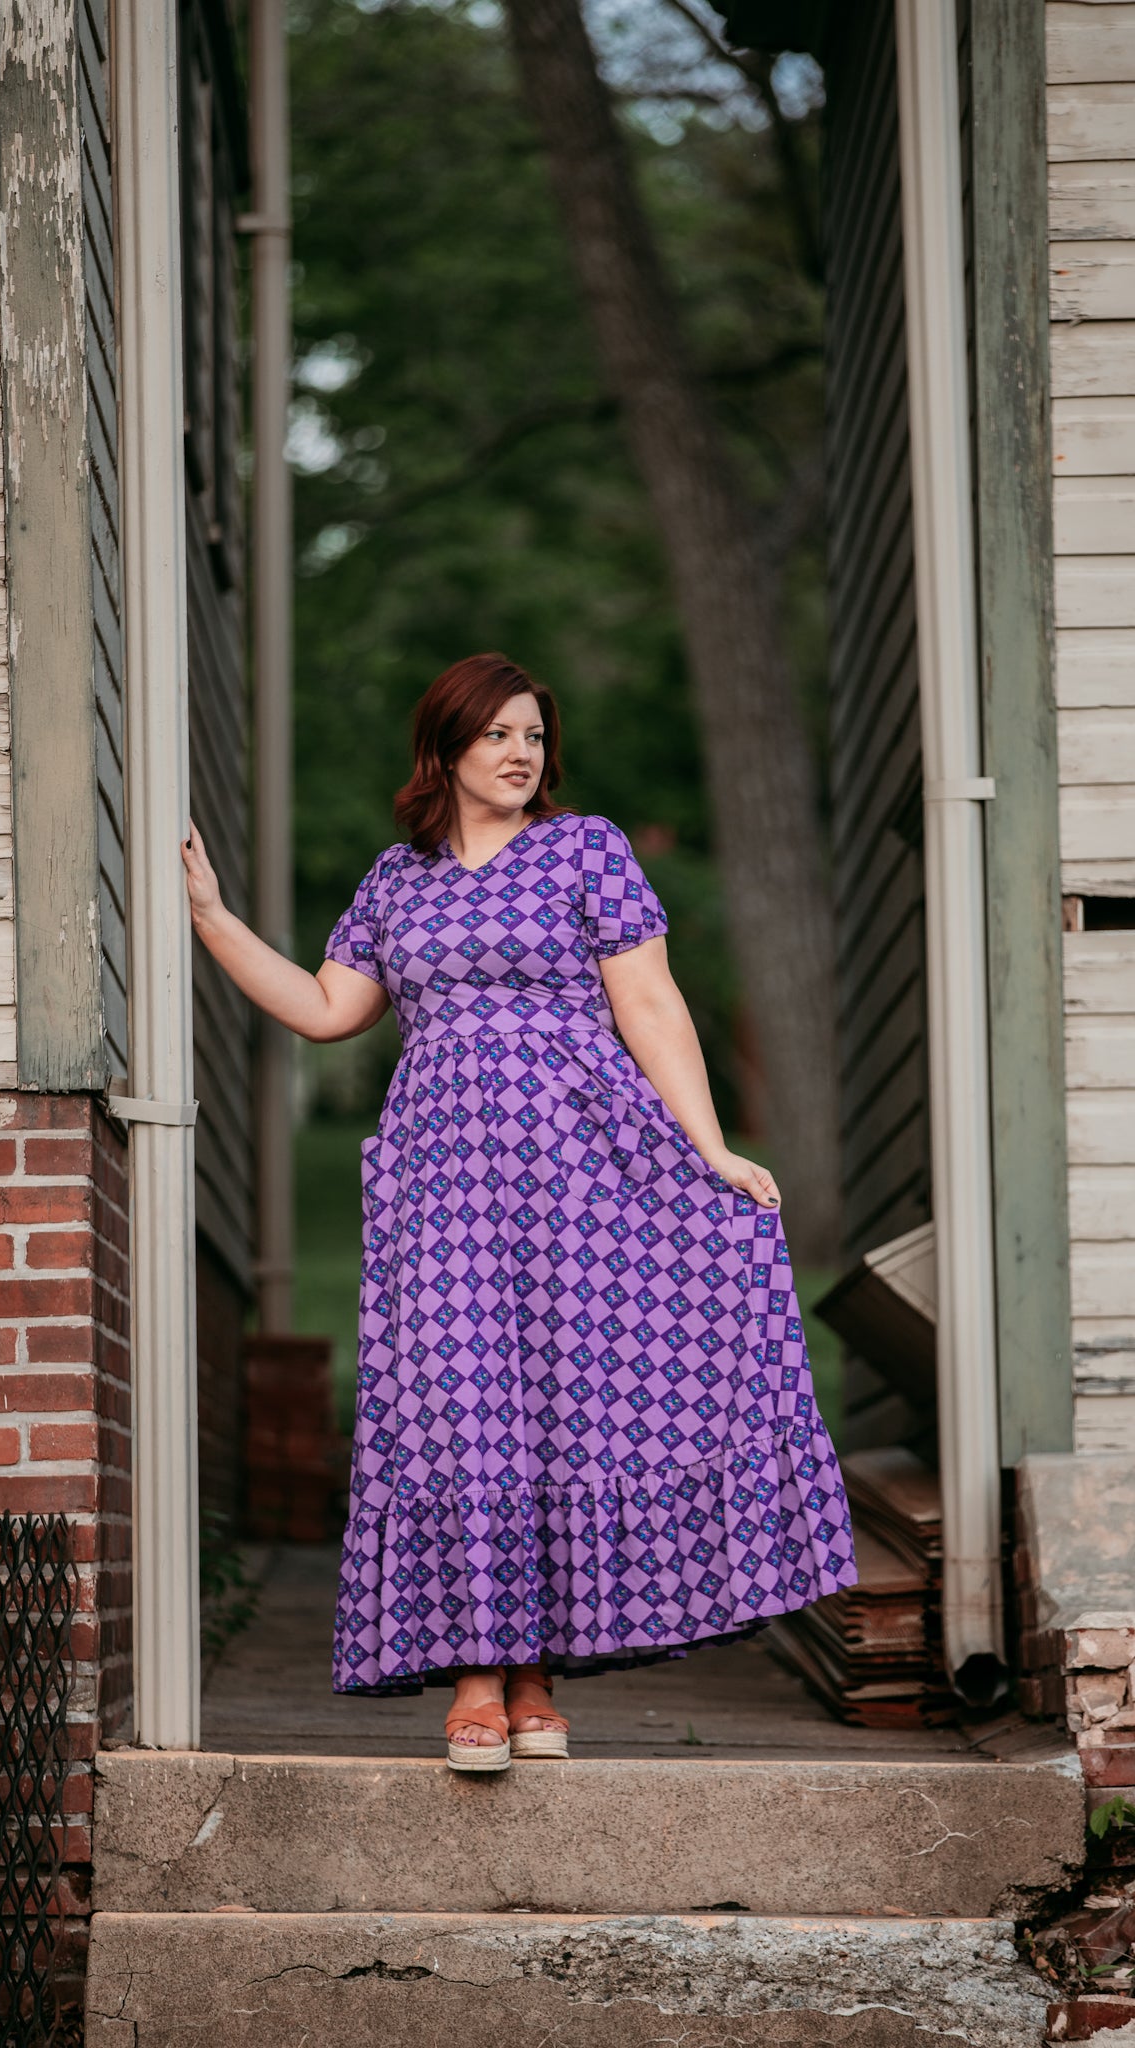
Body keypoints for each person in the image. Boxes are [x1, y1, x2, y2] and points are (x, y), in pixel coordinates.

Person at [182, 651, 856, 1772]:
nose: (519, 752)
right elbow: (321, 1005)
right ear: (444, 749)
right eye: (496, 733)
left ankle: (537, 1673)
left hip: (584, 1167)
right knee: (458, 1406)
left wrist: (710, 1147)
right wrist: (209, 914)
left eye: (533, 734)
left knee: (565, 1401)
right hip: (440, 1179)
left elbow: (648, 1001)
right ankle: (475, 1676)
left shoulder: (586, 849)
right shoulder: (395, 881)